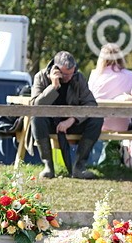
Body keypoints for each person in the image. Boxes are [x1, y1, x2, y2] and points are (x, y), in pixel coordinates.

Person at [30, 50, 103, 179]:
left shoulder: (78, 77)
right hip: (49, 123)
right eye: (65, 74)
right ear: (56, 69)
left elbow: (91, 104)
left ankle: (79, 167)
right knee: (36, 118)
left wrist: (72, 119)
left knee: (97, 119)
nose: (69, 77)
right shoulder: (40, 77)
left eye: (71, 73)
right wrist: (53, 86)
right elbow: (36, 105)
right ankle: (48, 167)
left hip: (71, 123)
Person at [88, 43, 132, 132]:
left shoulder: (94, 75)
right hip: (122, 126)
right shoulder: (130, 75)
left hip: (98, 124)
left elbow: (89, 97)